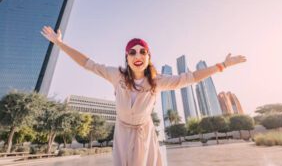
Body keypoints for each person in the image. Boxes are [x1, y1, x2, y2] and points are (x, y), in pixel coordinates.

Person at [41, 26, 246, 166]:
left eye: (142, 52)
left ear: (149, 57)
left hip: (144, 132)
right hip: (122, 131)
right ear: (127, 57)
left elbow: (190, 77)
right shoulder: (117, 75)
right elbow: (87, 63)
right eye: (132, 52)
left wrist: (223, 65)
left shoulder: (157, 81)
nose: (137, 56)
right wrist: (59, 43)